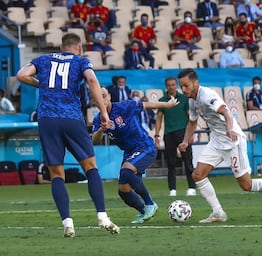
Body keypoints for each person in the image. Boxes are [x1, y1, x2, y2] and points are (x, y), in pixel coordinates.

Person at [15, 33, 120, 237]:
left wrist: (41, 84)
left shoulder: (43, 59)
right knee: (90, 167)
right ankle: (102, 217)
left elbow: (21, 75)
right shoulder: (81, 61)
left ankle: (68, 224)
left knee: (56, 174)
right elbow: (91, 79)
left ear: (61, 47)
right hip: (71, 117)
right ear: (78, 47)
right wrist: (104, 113)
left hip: (47, 119)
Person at [177, 68, 262, 223]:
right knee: (197, 175)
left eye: (186, 85)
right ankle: (218, 212)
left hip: (233, 142)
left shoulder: (207, 96)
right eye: (181, 86)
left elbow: (225, 111)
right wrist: (185, 140)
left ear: (195, 82)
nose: (183, 89)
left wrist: (230, 128)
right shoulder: (192, 101)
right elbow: (192, 122)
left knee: (246, 185)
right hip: (217, 141)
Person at [92, 87, 178, 224]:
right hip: (129, 152)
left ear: (109, 97)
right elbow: (94, 140)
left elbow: (147, 105)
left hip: (144, 146)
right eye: (98, 97)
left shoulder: (124, 107)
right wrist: (102, 129)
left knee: (126, 171)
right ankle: (144, 212)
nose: (102, 99)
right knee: (123, 190)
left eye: (104, 95)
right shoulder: (98, 119)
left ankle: (150, 204)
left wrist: (167, 105)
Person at [155, 77, 196, 197]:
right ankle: (172, 188)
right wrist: (157, 134)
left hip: (183, 132)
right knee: (171, 163)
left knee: (188, 160)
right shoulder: (163, 100)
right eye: (169, 85)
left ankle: (191, 187)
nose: (171, 87)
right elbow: (159, 118)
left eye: (173, 85)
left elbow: (191, 117)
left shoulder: (183, 99)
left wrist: (191, 134)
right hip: (169, 133)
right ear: (166, 86)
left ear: (176, 85)